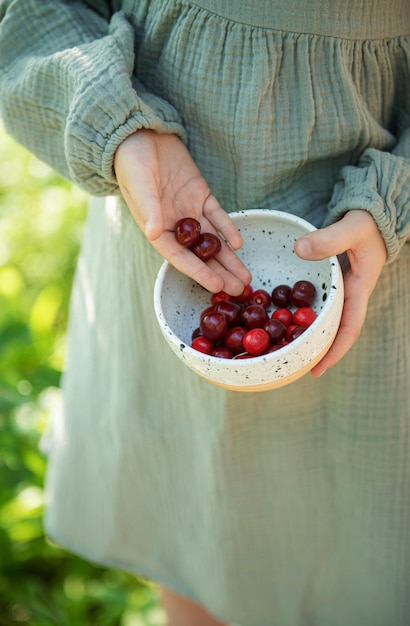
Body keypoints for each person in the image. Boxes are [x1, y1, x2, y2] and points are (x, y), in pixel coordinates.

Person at [0, 1, 409, 625]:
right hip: (157, 208)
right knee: (195, 513)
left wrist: (396, 194)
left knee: (362, 538)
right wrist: (124, 128)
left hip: (377, 263)